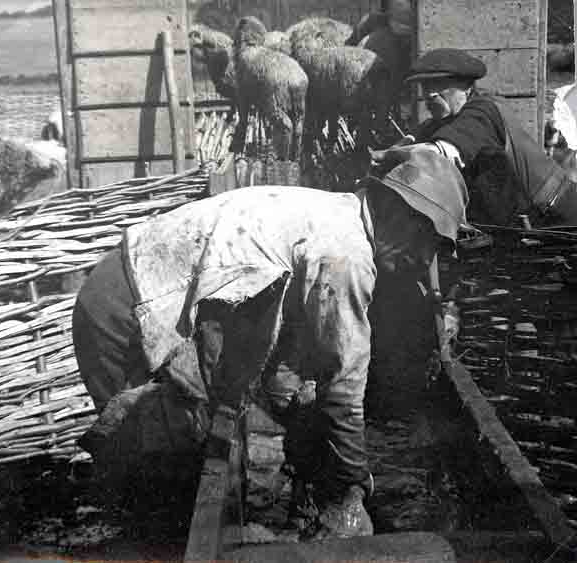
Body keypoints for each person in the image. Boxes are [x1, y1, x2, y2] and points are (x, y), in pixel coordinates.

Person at [72, 149, 468, 540]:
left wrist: (301, 426)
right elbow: (344, 385)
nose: (424, 259)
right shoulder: (344, 254)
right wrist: (351, 486)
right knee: (160, 478)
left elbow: (282, 352)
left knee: (175, 465)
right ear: (400, 215)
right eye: (427, 241)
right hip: (126, 307)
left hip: (134, 283)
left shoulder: (336, 213)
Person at [389, 48, 577, 227]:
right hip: (531, 218)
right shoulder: (440, 122)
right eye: (425, 86)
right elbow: (410, 143)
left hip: (559, 215)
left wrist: (403, 155)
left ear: (466, 87)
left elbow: (444, 151)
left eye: (439, 84)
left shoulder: (482, 110)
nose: (429, 94)